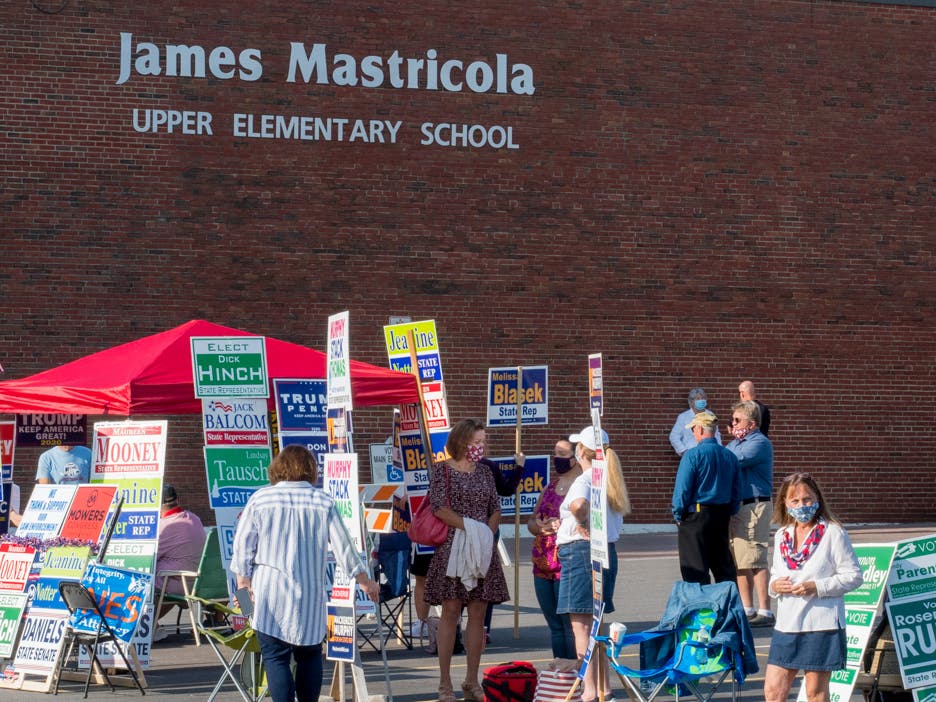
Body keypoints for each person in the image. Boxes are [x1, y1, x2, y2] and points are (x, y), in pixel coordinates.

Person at [230, 445, 379, 702]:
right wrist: (365, 582)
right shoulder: (322, 501)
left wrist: (243, 591)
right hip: (309, 595)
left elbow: (242, 548)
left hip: (269, 594)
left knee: (275, 658)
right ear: (311, 470)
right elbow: (344, 547)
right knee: (309, 655)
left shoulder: (261, 499)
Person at [424, 419, 509, 702]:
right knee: (450, 610)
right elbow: (439, 509)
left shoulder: (486, 471)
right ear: (461, 442)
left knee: (478, 612)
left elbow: (495, 508)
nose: (481, 446)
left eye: (483, 441)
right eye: (476, 441)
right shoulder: (441, 470)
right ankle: (444, 683)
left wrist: (486, 535)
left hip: (481, 548)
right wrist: (472, 529)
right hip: (452, 546)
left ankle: (472, 680)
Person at [764, 472, 862, 702]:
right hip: (787, 625)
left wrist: (817, 587)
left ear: (817, 499)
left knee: (815, 694)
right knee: (773, 691)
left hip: (821, 625)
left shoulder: (833, 532)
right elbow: (776, 575)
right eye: (795, 501)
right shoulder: (781, 536)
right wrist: (774, 585)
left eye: (807, 499)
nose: (802, 505)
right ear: (784, 503)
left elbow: (854, 576)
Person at [556, 426, 631, 702]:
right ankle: (603, 688)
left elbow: (577, 506)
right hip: (605, 551)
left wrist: (581, 522)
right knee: (596, 625)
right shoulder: (610, 480)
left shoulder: (585, 479)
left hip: (581, 552)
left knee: (582, 626)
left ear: (581, 452)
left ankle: (589, 690)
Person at [671, 411, 741, 585]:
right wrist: (732, 510)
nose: (693, 433)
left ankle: (702, 609)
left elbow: (683, 489)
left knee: (695, 568)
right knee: (723, 566)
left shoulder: (692, 455)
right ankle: (727, 607)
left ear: (701, 430)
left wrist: (678, 513)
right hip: (722, 513)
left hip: (697, 514)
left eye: (694, 429)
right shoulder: (730, 456)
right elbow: (737, 489)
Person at [527, 438, 581, 660]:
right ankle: (560, 672)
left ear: (575, 459)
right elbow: (531, 522)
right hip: (542, 563)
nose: (557, 459)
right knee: (555, 626)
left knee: (569, 625)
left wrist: (560, 527)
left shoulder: (580, 487)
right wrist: (540, 527)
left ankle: (574, 675)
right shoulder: (549, 487)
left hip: (566, 563)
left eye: (562, 454)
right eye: (555, 453)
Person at [726, 400, 775, 627]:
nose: (732, 424)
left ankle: (765, 611)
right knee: (740, 560)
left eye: (737, 420)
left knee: (755, 559)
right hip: (739, 506)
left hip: (755, 505)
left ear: (752, 423)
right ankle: (747, 609)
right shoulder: (736, 443)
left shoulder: (759, 443)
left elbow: (731, 462)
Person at [155, 485, 206, 623]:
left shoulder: (164, 526)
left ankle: (148, 626)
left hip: (176, 584)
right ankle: (217, 621)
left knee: (140, 579)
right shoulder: (195, 519)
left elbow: (149, 559)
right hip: (200, 583)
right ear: (178, 500)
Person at [669, 388, 721, 457]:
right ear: (692, 401)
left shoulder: (711, 415)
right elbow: (674, 436)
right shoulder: (683, 417)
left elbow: (717, 435)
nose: (701, 400)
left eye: (703, 398)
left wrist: (719, 451)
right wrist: (684, 451)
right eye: (698, 398)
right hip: (691, 454)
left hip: (709, 454)